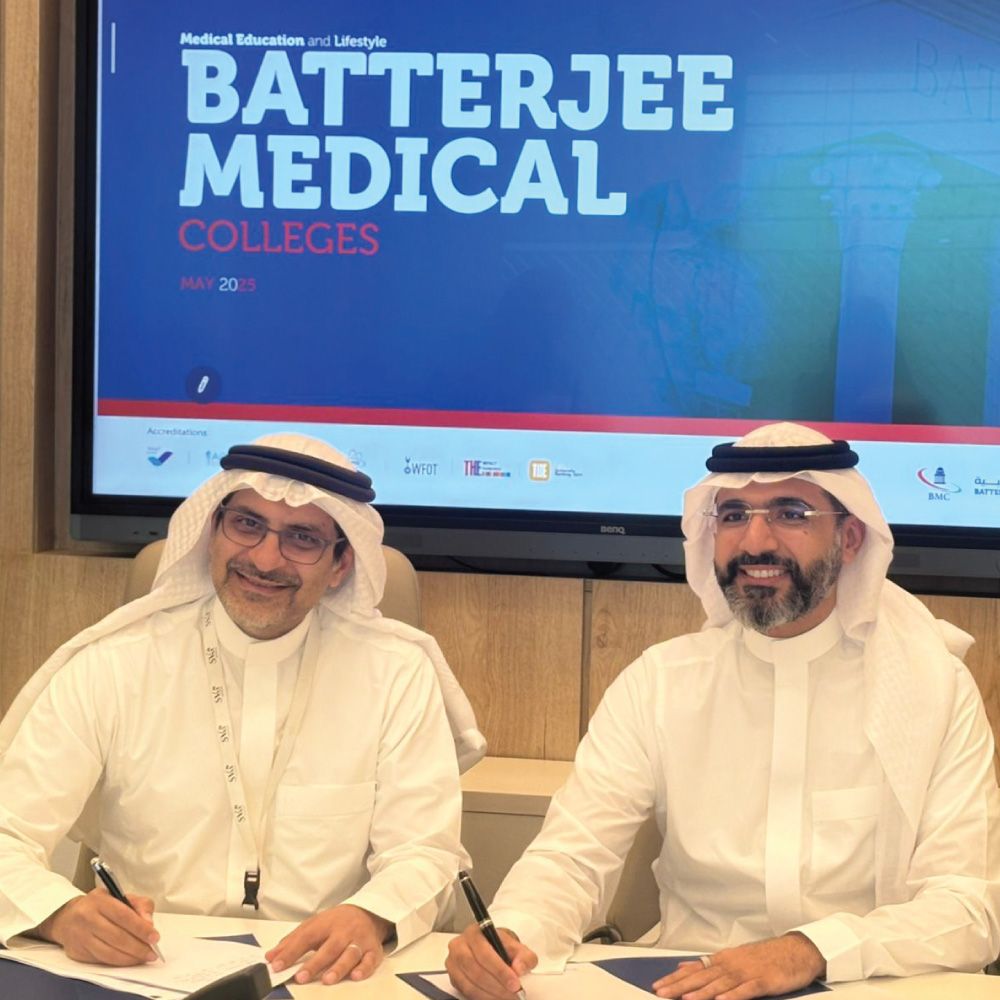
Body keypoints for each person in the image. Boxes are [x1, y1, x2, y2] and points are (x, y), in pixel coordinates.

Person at [446, 421, 1000, 1000]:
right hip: (688, 983)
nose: (755, 542)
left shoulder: (933, 689)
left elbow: (969, 907)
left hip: (868, 985)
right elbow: (573, 854)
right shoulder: (660, 682)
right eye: (734, 515)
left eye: (790, 513)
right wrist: (513, 932)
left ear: (851, 538)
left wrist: (809, 950)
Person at [0, 434, 485, 986]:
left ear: (341, 565)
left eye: (302, 538)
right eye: (247, 524)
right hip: (143, 971)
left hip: (327, 977)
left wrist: (370, 916)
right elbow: (6, 830)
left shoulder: (395, 673)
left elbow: (424, 852)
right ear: (212, 531)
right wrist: (61, 915)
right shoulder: (114, 664)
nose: (264, 558)